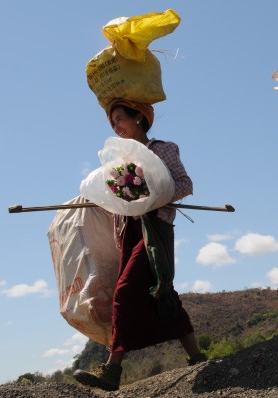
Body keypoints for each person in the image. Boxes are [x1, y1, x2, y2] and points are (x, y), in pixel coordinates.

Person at [73, 99, 206, 391]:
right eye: (112, 123)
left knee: (124, 292)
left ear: (139, 119)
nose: (116, 127)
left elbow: (185, 184)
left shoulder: (163, 149)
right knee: (161, 290)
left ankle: (112, 371)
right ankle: (197, 356)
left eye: (120, 119)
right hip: (130, 232)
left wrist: (155, 195)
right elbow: (119, 201)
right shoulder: (118, 163)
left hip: (154, 230)